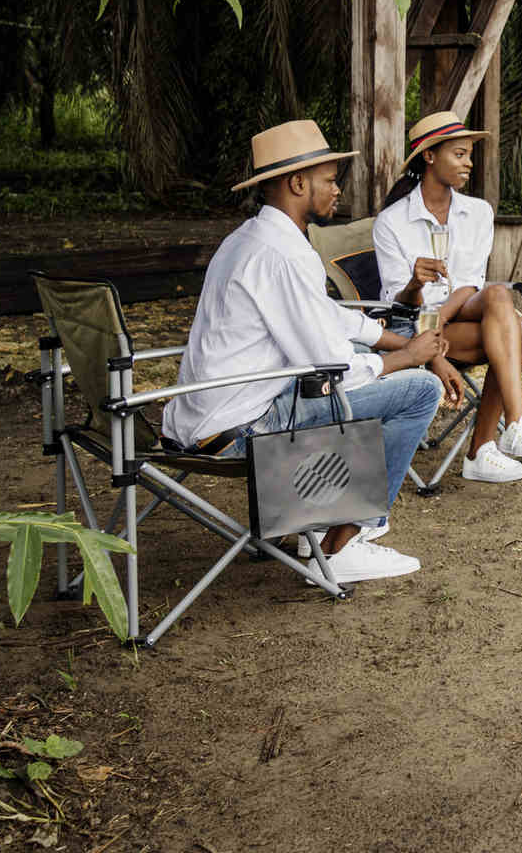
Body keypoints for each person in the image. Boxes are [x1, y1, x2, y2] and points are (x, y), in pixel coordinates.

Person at [161, 120, 444, 583]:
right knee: (418, 392)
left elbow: (328, 318)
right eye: (330, 180)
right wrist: (409, 359)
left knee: (360, 366)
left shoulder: (249, 239)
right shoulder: (285, 256)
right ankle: (343, 544)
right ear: (297, 183)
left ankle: (316, 524)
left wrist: (398, 342)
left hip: (201, 416)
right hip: (241, 430)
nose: (338, 191)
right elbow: (336, 370)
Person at [373, 111, 522, 484]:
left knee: (497, 292)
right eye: (459, 155)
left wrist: (438, 327)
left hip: (459, 312)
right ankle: (483, 449)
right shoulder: (391, 222)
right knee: (520, 331)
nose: (469, 163)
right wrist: (414, 287)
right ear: (430, 156)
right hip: (412, 328)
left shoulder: (479, 212)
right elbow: (394, 304)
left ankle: (513, 424)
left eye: (469, 155)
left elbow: (469, 284)